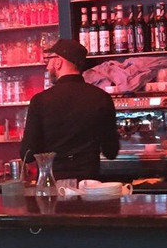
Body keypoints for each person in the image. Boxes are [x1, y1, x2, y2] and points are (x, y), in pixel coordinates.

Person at [20, 39, 120, 180]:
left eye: (49, 60)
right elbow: (111, 152)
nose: (47, 67)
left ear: (58, 62)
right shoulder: (102, 97)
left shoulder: (40, 100)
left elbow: (28, 154)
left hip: (52, 183)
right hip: (89, 183)